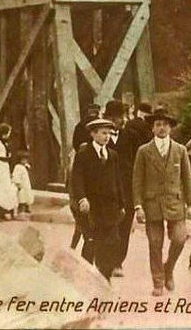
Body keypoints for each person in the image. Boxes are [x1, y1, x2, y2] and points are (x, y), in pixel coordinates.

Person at [132, 107, 191, 296]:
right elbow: (137, 181)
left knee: (179, 238)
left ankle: (168, 269)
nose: (162, 128)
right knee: (155, 243)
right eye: (158, 124)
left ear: (170, 128)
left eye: (165, 125)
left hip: (174, 202)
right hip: (152, 203)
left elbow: (187, 177)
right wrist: (138, 206)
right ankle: (158, 282)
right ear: (152, 128)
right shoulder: (144, 151)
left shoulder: (180, 150)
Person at [70, 118, 125, 280]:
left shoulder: (113, 155)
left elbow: (117, 180)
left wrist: (121, 204)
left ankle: (104, 279)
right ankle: (84, 276)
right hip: (91, 207)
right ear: (93, 134)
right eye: (103, 133)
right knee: (91, 241)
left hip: (110, 207)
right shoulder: (84, 154)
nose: (106, 137)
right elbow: (77, 178)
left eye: (109, 133)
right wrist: (81, 198)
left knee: (111, 243)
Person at [103, 99, 138, 275]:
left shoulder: (129, 136)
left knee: (124, 226)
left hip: (127, 188)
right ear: (109, 118)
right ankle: (107, 261)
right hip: (108, 189)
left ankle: (118, 262)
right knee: (109, 225)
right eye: (117, 117)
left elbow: (135, 162)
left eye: (122, 117)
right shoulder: (102, 137)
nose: (121, 120)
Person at [12, 151, 34, 215]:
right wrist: (18, 183)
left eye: (26, 160)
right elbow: (16, 176)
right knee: (21, 198)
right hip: (21, 185)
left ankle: (26, 208)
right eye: (23, 160)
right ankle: (21, 210)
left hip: (26, 185)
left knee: (27, 196)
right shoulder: (18, 167)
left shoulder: (25, 167)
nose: (25, 161)